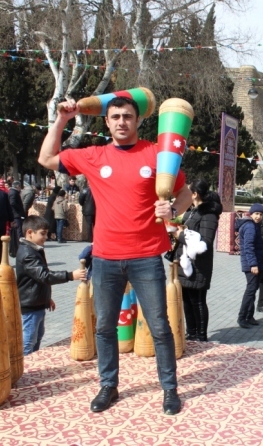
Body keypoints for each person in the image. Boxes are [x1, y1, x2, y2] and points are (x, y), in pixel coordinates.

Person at [38, 95, 192, 414]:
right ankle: (108, 385)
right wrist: (64, 119)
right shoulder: (93, 155)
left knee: (160, 326)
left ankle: (169, 389)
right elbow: (46, 157)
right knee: (105, 327)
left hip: (147, 256)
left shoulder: (157, 154)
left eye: (128, 116)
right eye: (115, 117)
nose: (122, 121)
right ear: (106, 122)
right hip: (105, 257)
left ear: (138, 120)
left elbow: (184, 193)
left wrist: (173, 209)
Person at [17, 215, 86, 355]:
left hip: (37, 302)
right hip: (30, 305)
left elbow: (39, 279)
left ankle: (32, 363)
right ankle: (23, 369)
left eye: (46, 234)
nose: (45, 237)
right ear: (30, 233)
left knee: (37, 337)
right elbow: (44, 276)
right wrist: (70, 275)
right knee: (29, 340)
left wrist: (47, 298)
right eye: (42, 233)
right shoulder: (27, 253)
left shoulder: (34, 249)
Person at [174, 179, 222, 342]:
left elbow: (206, 241)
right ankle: (191, 332)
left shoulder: (208, 214)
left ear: (194, 194)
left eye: (188, 191)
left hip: (199, 264)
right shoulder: (192, 211)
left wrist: (180, 236)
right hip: (184, 261)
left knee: (198, 300)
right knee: (187, 299)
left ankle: (201, 335)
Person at [235, 203, 263, 329]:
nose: (258, 216)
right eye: (256, 214)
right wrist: (253, 264)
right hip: (251, 263)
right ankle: (242, 317)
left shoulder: (254, 225)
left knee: (253, 289)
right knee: (250, 290)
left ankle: (249, 316)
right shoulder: (250, 227)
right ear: (251, 214)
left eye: (260, 214)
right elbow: (248, 247)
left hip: (254, 262)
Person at [8, 181, 26, 255]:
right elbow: (12, 203)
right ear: (17, 186)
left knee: (17, 229)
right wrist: (19, 209)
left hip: (16, 214)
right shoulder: (13, 193)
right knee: (18, 229)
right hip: (16, 214)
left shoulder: (12, 192)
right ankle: (18, 244)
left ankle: (17, 243)